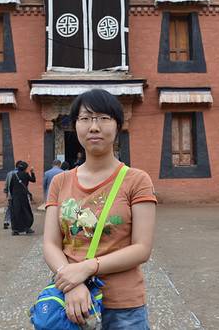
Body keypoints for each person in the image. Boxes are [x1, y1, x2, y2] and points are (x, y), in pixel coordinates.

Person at [43, 89, 157, 329]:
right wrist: (72, 282)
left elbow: (142, 249)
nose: (94, 127)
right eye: (85, 118)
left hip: (123, 308)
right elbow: (51, 244)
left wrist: (86, 268)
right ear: (75, 125)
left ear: (118, 125)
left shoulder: (137, 180)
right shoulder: (60, 182)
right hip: (72, 303)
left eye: (104, 118)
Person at [8, 161, 36, 236]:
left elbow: (11, 187)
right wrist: (32, 172)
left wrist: (12, 195)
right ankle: (27, 228)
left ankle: (15, 230)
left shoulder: (14, 175)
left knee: (16, 212)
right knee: (26, 212)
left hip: (15, 197)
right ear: (25, 168)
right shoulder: (26, 174)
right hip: (23, 196)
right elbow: (33, 180)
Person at [2, 162, 21, 230]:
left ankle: (6, 221)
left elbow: (6, 184)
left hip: (10, 194)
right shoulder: (21, 173)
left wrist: (6, 192)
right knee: (19, 208)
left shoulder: (9, 173)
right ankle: (18, 223)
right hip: (19, 195)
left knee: (9, 208)